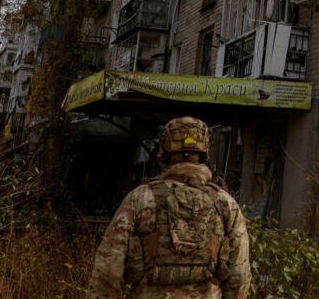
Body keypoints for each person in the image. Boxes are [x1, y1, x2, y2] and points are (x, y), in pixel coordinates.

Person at [88, 117, 250, 299]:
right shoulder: (225, 203)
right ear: (205, 149)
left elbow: (109, 268)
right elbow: (239, 276)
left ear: (164, 148)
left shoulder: (140, 198)